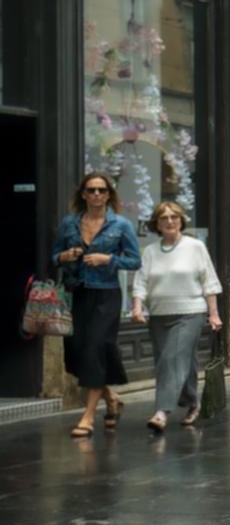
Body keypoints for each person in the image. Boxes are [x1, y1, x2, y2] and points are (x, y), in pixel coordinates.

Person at [53, 173, 141, 438]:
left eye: (101, 190)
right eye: (91, 190)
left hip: (106, 294)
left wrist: (108, 259)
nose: (96, 195)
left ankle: (88, 416)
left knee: (95, 349)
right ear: (83, 194)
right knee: (76, 353)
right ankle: (111, 398)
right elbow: (54, 256)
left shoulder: (121, 225)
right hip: (77, 293)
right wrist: (64, 256)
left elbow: (135, 261)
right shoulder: (69, 223)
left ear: (108, 195)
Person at [129, 200, 222, 434]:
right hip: (159, 315)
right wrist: (137, 307)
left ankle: (162, 411)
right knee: (180, 361)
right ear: (157, 224)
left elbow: (209, 281)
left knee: (171, 358)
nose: (170, 221)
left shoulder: (195, 247)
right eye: (164, 218)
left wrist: (214, 314)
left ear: (181, 221)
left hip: (190, 313)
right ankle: (192, 402)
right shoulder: (151, 251)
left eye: (174, 217)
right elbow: (140, 282)